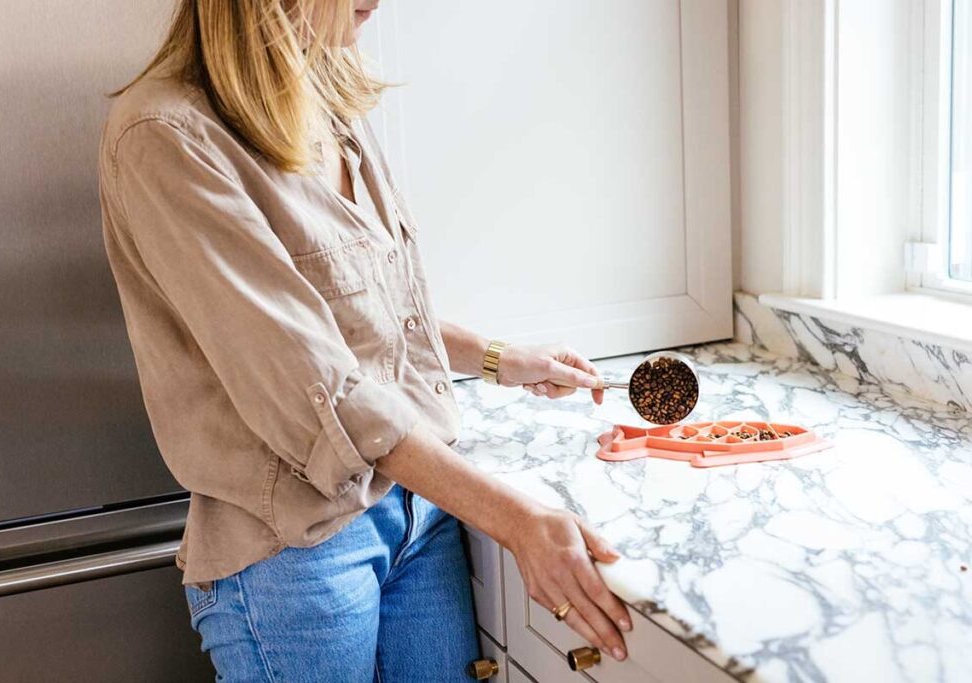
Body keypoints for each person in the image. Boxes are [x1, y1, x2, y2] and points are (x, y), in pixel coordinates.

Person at [98, 1, 631, 680]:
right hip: (298, 551)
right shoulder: (165, 134)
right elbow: (308, 379)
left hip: (420, 511)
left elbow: (363, 313)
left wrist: (499, 359)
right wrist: (519, 519)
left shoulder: (326, 102)